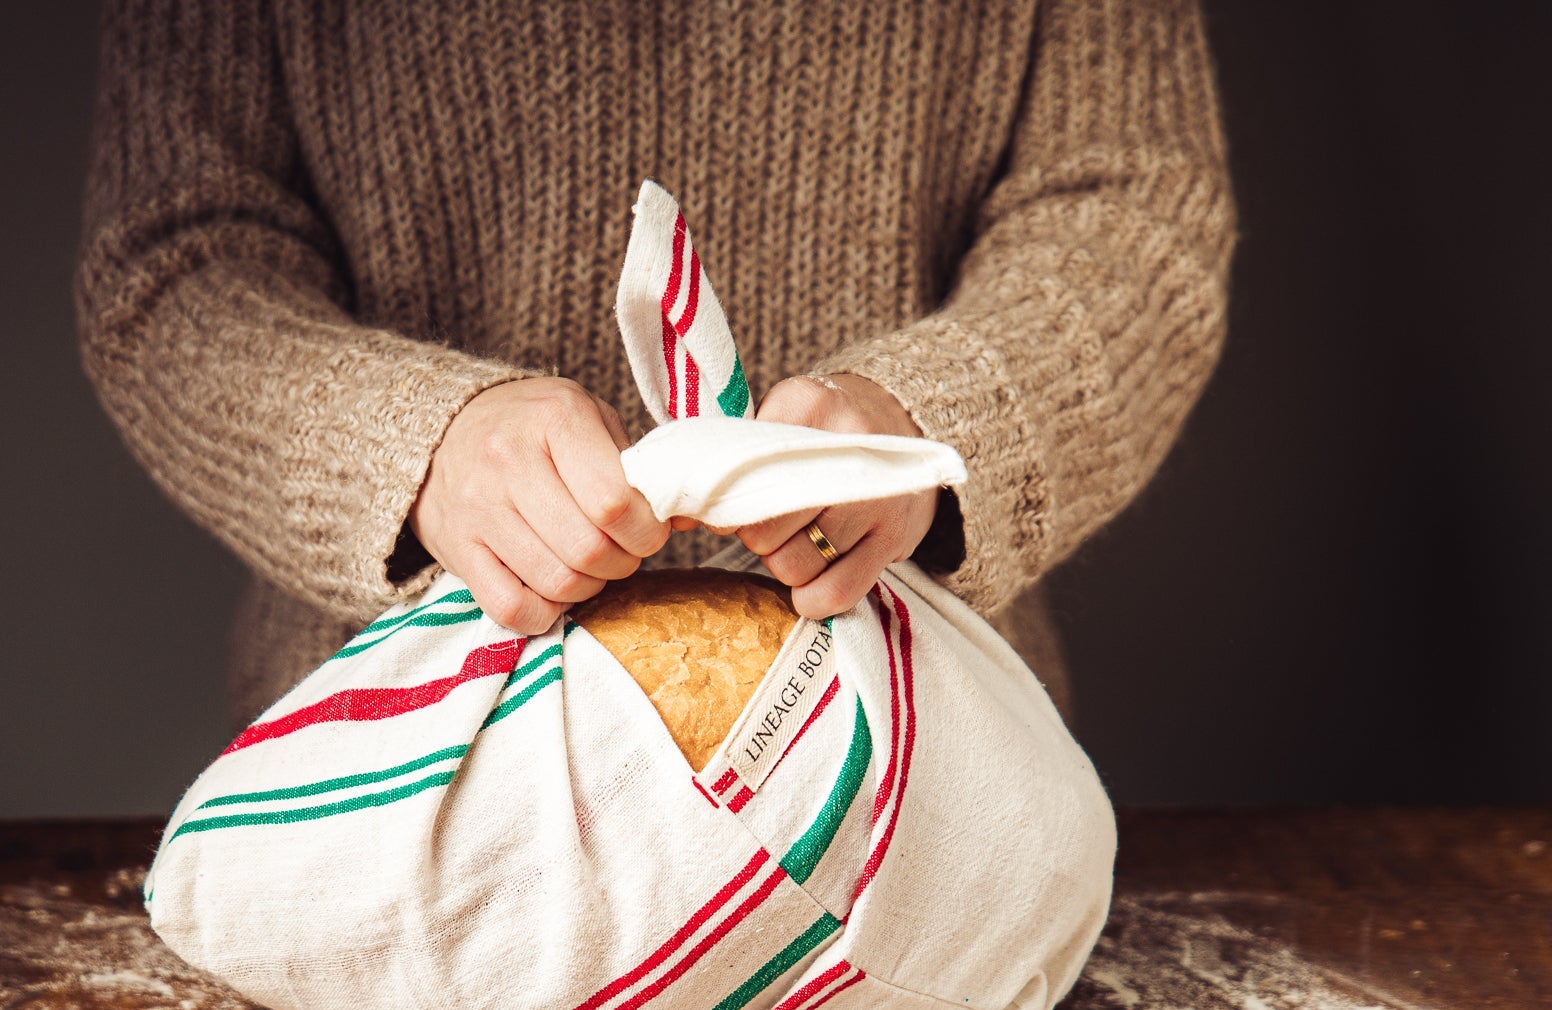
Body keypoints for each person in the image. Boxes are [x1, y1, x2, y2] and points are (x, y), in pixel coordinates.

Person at [77, 0, 1234, 727]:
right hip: (399, 764)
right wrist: (416, 448)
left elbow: (1130, 212)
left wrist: (926, 423)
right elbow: (182, 255)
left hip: (916, 753)